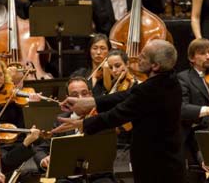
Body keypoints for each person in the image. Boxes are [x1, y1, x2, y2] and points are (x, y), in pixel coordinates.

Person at [53, 39, 186, 183]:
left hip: (157, 164)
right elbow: (127, 94)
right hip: (170, 159)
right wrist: (92, 101)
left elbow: (115, 115)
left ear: (155, 65)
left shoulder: (150, 90)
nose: (137, 57)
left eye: (143, 56)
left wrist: (82, 124)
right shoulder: (170, 78)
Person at [34, 76, 116, 183]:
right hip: (68, 179)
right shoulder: (61, 121)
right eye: (75, 95)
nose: (80, 98)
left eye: (84, 93)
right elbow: (40, 149)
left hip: (99, 177)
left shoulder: (102, 117)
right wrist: (43, 160)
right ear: (67, 98)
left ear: (91, 94)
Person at [177, 38, 209, 182]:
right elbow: (182, 108)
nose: (208, 56)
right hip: (195, 133)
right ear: (191, 58)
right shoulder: (183, 78)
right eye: (202, 53)